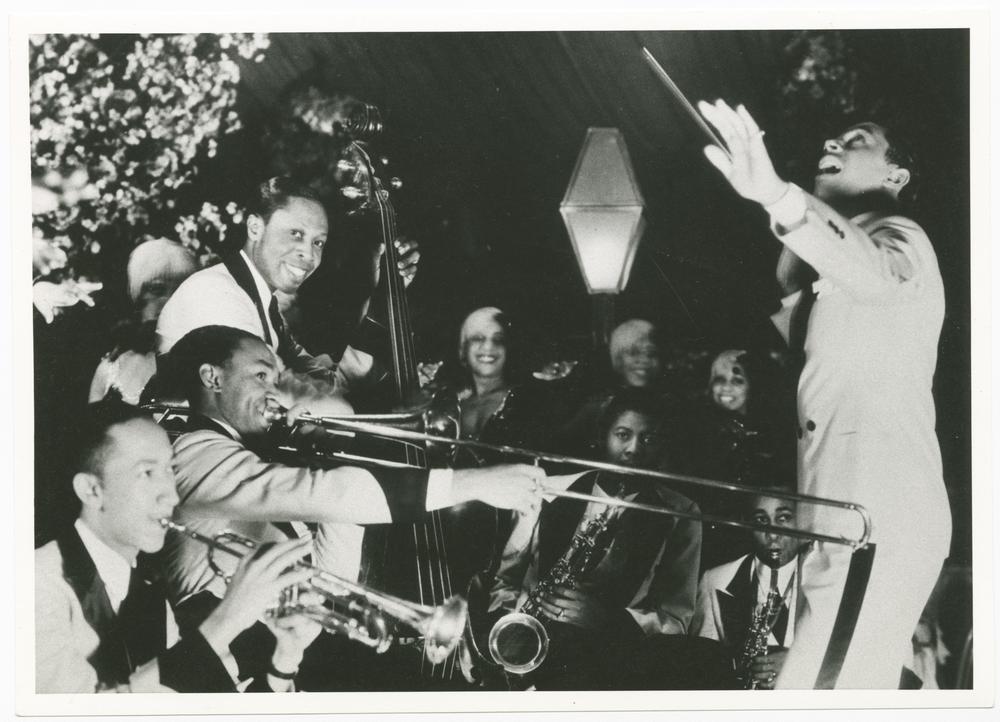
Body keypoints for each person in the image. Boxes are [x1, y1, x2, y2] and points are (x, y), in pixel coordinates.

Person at [697, 99, 950, 688]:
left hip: (874, 525)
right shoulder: (844, 259)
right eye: (832, 139)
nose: (831, 145)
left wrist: (778, 196)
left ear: (897, 175)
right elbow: (811, 293)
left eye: (856, 139)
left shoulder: (898, 237)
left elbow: (863, 267)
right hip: (847, 523)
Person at [157, 325, 545, 607]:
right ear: (212, 377)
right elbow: (329, 494)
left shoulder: (250, 458)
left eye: (276, 380)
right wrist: (474, 484)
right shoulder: (192, 451)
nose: (274, 394)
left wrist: (329, 452)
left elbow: (333, 583)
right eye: (260, 376)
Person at [34, 400, 322, 693]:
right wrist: (228, 618)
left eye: (170, 470)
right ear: (92, 490)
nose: (171, 497)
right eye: (147, 473)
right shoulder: (36, 585)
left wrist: (284, 662)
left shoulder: (150, 597)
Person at [487, 389, 726, 690]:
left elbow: (676, 618)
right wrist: (513, 631)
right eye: (623, 434)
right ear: (603, 436)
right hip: (528, 647)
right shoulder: (550, 490)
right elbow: (504, 578)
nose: (634, 450)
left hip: (611, 663)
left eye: (649, 439)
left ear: (663, 446)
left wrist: (609, 621)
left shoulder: (682, 512)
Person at [155, 175, 420, 408]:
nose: (309, 253)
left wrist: (380, 296)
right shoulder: (216, 293)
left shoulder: (261, 303)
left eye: (318, 242)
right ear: (255, 228)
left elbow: (327, 385)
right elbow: (283, 399)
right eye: (295, 233)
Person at [687, 349, 797, 570]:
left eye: (737, 380)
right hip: (712, 531)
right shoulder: (700, 429)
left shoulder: (770, 431)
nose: (727, 387)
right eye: (719, 380)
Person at [692, 491, 804, 690]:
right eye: (761, 520)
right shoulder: (715, 580)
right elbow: (702, 667)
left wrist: (798, 666)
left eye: (784, 518)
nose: (772, 534)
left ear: (803, 521)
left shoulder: (824, 581)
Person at [89, 238, 199, 404]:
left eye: (178, 291)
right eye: (157, 289)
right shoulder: (111, 368)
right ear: (138, 295)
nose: (168, 300)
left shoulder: (203, 366)